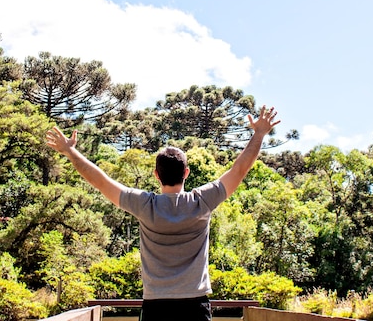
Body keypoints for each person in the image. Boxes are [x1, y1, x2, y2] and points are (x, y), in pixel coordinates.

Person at [45, 105, 280, 321]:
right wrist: (259, 134)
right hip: (195, 306)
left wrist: (70, 152)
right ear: (186, 173)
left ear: (156, 175)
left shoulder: (145, 205)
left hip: (156, 306)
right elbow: (239, 169)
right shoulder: (202, 202)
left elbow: (101, 181)